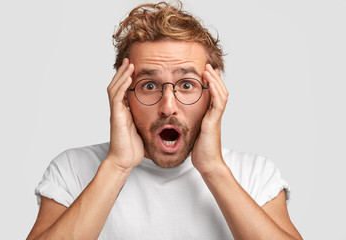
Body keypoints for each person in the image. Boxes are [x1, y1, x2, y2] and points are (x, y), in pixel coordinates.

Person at [27, 1, 303, 239]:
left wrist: (214, 169)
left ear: (212, 94)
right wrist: (117, 166)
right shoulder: (73, 169)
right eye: (149, 86)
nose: (168, 107)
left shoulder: (254, 174)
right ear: (124, 95)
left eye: (186, 85)